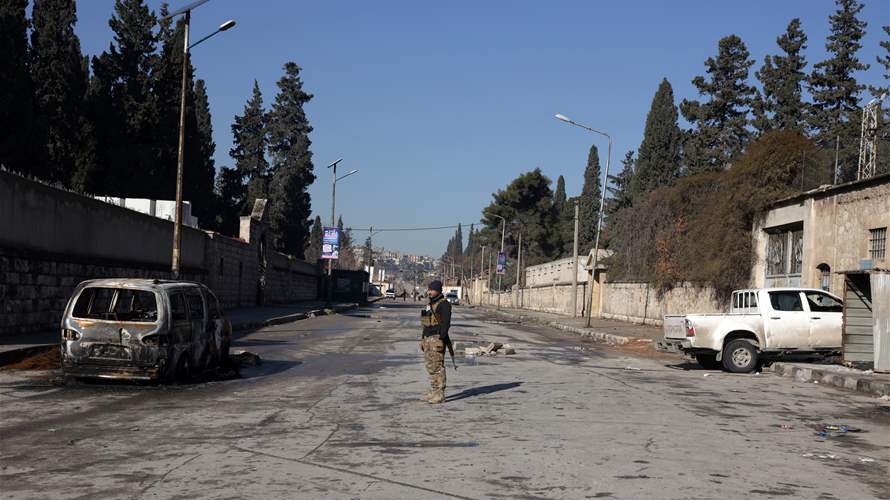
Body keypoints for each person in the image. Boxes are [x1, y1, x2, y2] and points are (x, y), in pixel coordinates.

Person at [419, 280, 451, 404]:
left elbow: (446, 324)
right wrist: (423, 338)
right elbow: (425, 323)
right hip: (428, 339)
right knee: (430, 366)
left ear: (438, 290)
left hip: (436, 339)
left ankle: (439, 393)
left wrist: (441, 339)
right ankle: (434, 390)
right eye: (429, 289)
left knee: (437, 367)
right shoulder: (430, 304)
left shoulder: (444, 304)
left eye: (432, 290)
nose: (429, 292)